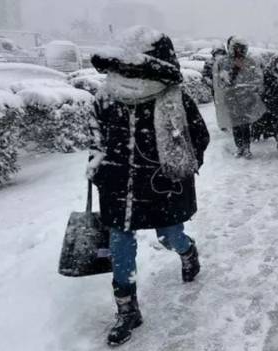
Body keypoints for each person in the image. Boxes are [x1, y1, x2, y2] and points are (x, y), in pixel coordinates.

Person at [88, 26, 210, 347]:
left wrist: (177, 164)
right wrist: (97, 166)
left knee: (170, 236)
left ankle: (187, 251)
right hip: (118, 187)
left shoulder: (175, 98)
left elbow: (199, 137)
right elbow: (96, 138)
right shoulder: (106, 96)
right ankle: (127, 310)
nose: (128, 71)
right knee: (120, 245)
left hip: (162, 187)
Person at [213, 37, 265, 158]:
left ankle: (246, 148)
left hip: (246, 98)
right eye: (236, 48)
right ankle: (239, 147)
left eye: (241, 48)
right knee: (235, 124)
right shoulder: (224, 62)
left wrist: (250, 89)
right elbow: (219, 81)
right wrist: (227, 80)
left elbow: (258, 78)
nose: (238, 51)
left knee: (245, 124)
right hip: (231, 97)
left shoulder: (250, 61)